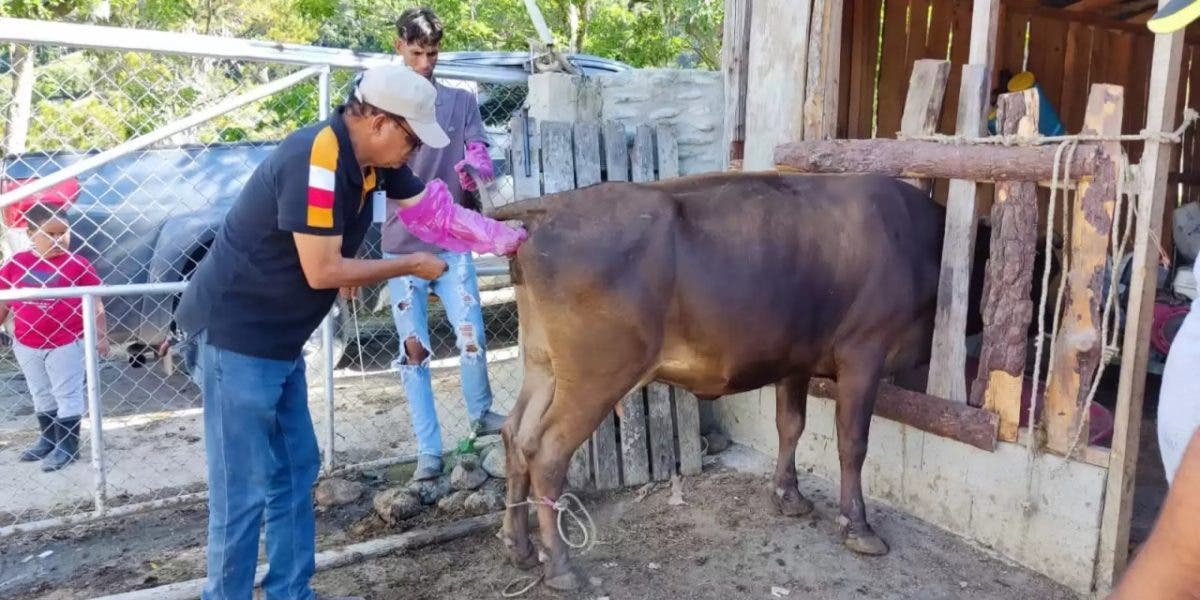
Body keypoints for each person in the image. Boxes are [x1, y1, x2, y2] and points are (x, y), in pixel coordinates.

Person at [174, 63, 524, 600]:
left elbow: (434, 211)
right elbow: (324, 270)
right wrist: (408, 266)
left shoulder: (374, 163)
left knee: (295, 472)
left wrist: (505, 237)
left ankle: (293, 591)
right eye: (411, 138)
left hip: (279, 340)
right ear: (380, 122)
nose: (416, 152)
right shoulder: (317, 158)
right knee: (241, 489)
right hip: (235, 337)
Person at [383, 6, 505, 482]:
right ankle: (427, 450)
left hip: (452, 240)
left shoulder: (459, 102)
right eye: (416, 53)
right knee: (413, 350)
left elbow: (480, 150)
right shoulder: (384, 105)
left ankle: (480, 415)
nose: (425, 64)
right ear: (399, 47)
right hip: (400, 245)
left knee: (472, 335)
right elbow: (367, 180)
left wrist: (476, 166)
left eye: (432, 54)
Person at [0, 202, 107, 472]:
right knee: (40, 391)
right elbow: (4, 302)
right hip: (27, 342)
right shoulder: (16, 264)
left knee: (67, 392)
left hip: (67, 342)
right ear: (31, 234)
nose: (59, 239)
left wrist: (101, 337)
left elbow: (96, 304)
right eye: (50, 233)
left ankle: (68, 446)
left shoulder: (78, 264)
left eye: (64, 232)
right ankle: (49, 438)